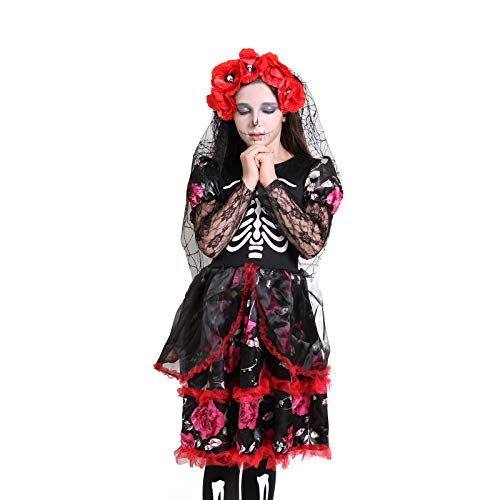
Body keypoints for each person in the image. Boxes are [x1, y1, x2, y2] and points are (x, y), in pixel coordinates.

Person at [153, 48, 344, 500]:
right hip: (220, 314)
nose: (255, 121)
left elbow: (311, 242)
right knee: (217, 447)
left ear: (286, 110)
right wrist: (245, 181)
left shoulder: (314, 172)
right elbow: (209, 242)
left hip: (280, 316)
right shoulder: (212, 169)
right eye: (243, 110)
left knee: (264, 447)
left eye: (267, 109)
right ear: (228, 112)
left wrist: (272, 181)